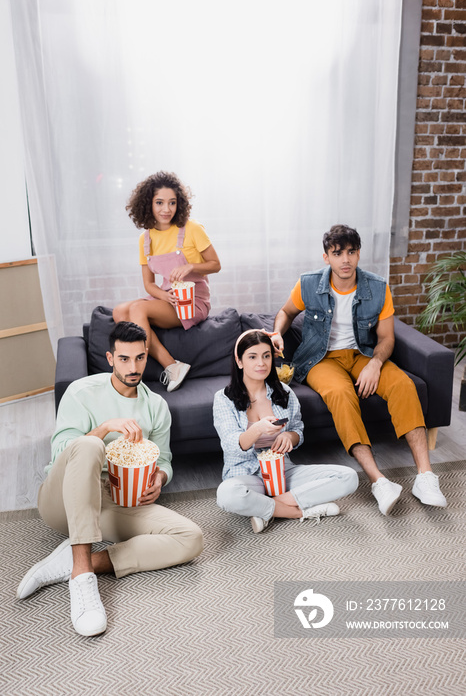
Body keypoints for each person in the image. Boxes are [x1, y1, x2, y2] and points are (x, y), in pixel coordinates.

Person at [16, 322, 204, 637]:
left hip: (116, 500)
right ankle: (82, 578)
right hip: (62, 500)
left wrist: (159, 477)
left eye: (140, 358)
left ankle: (86, 561)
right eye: (124, 358)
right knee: (88, 445)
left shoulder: (156, 406)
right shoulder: (81, 392)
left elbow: (166, 459)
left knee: (191, 538)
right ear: (110, 358)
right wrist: (104, 428)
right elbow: (62, 451)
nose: (133, 367)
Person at [272, 224, 448, 516]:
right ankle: (379, 482)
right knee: (341, 394)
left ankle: (425, 477)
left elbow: (387, 338)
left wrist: (376, 364)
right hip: (321, 359)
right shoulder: (308, 284)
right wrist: (278, 332)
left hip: (365, 355)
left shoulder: (377, 288)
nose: (345, 260)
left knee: (403, 385)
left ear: (358, 254)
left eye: (351, 252)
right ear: (326, 256)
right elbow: (286, 312)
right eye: (337, 253)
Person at [213, 330, 359, 533]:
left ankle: (267, 508)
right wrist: (258, 429)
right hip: (246, 475)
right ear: (239, 361)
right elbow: (231, 446)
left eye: (266, 356)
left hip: (283, 472)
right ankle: (299, 511)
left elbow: (298, 430)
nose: (261, 363)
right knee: (227, 494)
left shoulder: (285, 392)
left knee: (349, 477)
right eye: (252, 357)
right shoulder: (223, 398)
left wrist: (289, 436)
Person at [113, 171, 221, 392]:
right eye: (159, 202)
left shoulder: (192, 229)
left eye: (172, 202)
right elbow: (149, 285)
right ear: (148, 204)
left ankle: (141, 376)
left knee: (137, 309)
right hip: (165, 296)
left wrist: (191, 266)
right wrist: (164, 295)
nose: (166, 209)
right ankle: (173, 366)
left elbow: (215, 264)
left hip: (192, 301)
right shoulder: (146, 240)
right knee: (119, 312)